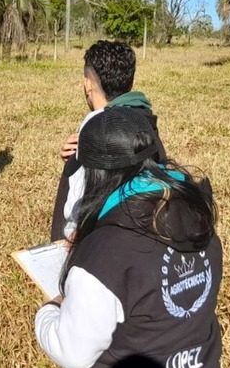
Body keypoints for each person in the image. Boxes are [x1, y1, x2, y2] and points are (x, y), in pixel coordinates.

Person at [35, 107, 222, 368]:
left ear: (98, 174)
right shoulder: (196, 211)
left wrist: (47, 313)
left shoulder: (108, 246)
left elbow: (75, 349)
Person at [50, 40, 165, 242]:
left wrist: (74, 164)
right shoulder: (145, 122)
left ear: (87, 84)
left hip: (91, 248)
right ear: (131, 82)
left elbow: (75, 206)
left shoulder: (94, 128)